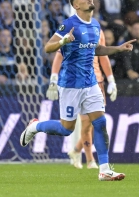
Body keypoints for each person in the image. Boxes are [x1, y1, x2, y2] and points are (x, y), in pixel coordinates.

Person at [20, 0, 135, 181]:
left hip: (90, 83)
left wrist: (118, 49)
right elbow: (48, 47)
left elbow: (96, 49)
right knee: (67, 129)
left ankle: (104, 169)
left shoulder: (96, 25)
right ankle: (35, 126)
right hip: (70, 84)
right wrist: (64, 40)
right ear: (76, 5)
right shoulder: (69, 24)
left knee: (100, 123)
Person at [46, 29, 117, 169]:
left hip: (97, 82)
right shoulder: (72, 30)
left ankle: (77, 150)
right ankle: (90, 160)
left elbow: (103, 56)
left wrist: (111, 80)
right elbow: (59, 56)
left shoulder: (98, 31)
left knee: (93, 123)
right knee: (85, 123)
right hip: (78, 83)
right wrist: (53, 79)